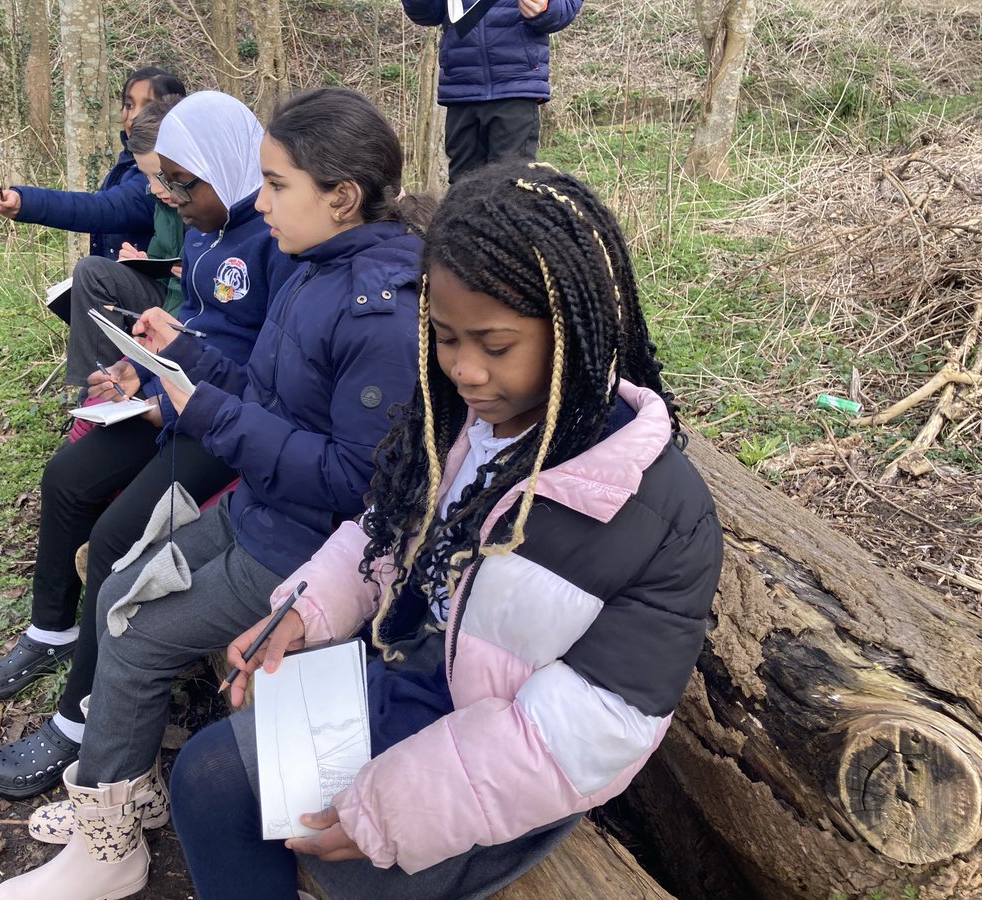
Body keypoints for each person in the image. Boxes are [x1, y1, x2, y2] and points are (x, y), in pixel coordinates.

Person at [168, 160, 724, 899]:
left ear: (578, 332)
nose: (462, 369)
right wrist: (307, 608)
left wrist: (397, 806)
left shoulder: (654, 511)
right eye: (443, 336)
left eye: (494, 346)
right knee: (204, 778)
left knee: (349, 869)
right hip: (408, 676)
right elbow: (388, 526)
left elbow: (596, 729)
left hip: (509, 767)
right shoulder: (461, 419)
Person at [0, 86, 430, 900]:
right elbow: (267, 388)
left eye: (275, 185)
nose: (258, 203)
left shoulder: (379, 316)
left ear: (342, 197)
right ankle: (123, 796)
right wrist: (183, 350)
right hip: (260, 510)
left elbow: (354, 486)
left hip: (300, 552)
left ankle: (109, 845)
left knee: (131, 619)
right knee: (119, 584)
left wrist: (210, 410)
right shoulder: (311, 265)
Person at [0, 91, 299, 802]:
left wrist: (174, 395)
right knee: (68, 475)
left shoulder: (275, 244)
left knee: (119, 538)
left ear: (226, 166)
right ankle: (50, 630)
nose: (168, 198)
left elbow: (267, 382)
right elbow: (200, 325)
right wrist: (137, 369)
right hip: (176, 399)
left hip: (220, 422)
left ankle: (78, 720)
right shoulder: (206, 230)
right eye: (163, 182)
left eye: (182, 183)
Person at [64, 93, 187, 399]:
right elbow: (162, 261)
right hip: (166, 294)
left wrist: (196, 275)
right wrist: (144, 261)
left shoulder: (205, 202)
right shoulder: (163, 202)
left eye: (162, 176)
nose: (155, 188)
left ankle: (124, 391)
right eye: (148, 177)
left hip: (190, 309)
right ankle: (96, 386)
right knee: (92, 272)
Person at [0, 66, 187, 260]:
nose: (134, 116)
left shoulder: (161, 181)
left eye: (147, 106)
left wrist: (26, 202)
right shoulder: (129, 164)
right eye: (129, 105)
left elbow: (101, 208)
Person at [401, 0, 581, 183]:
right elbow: (426, 14)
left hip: (515, 86)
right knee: (463, 192)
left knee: (512, 188)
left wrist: (546, 7)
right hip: (461, 86)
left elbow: (563, 10)